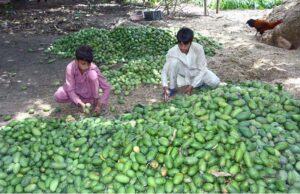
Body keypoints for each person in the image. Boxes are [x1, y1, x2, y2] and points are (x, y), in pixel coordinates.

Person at [161, 27, 220, 101]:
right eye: (180, 44)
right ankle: (172, 88)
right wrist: (165, 86)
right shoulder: (172, 51)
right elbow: (164, 70)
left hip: (197, 73)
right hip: (183, 75)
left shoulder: (198, 48)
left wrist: (192, 86)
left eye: (185, 45)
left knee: (215, 82)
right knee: (173, 62)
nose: (183, 48)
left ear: (191, 42)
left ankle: (199, 84)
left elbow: (203, 69)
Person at [54, 45, 111, 115]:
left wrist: (99, 104)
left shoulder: (93, 67)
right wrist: (80, 102)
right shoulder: (70, 67)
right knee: (59, 95)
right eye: (83, 63)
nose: (86, 66)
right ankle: (77, 102)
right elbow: (70, 89)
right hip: (76, 93)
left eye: (88, 64)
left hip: (89, 94)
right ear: (76, 61)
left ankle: (94, 101)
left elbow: (107, 87)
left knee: (92, 74)